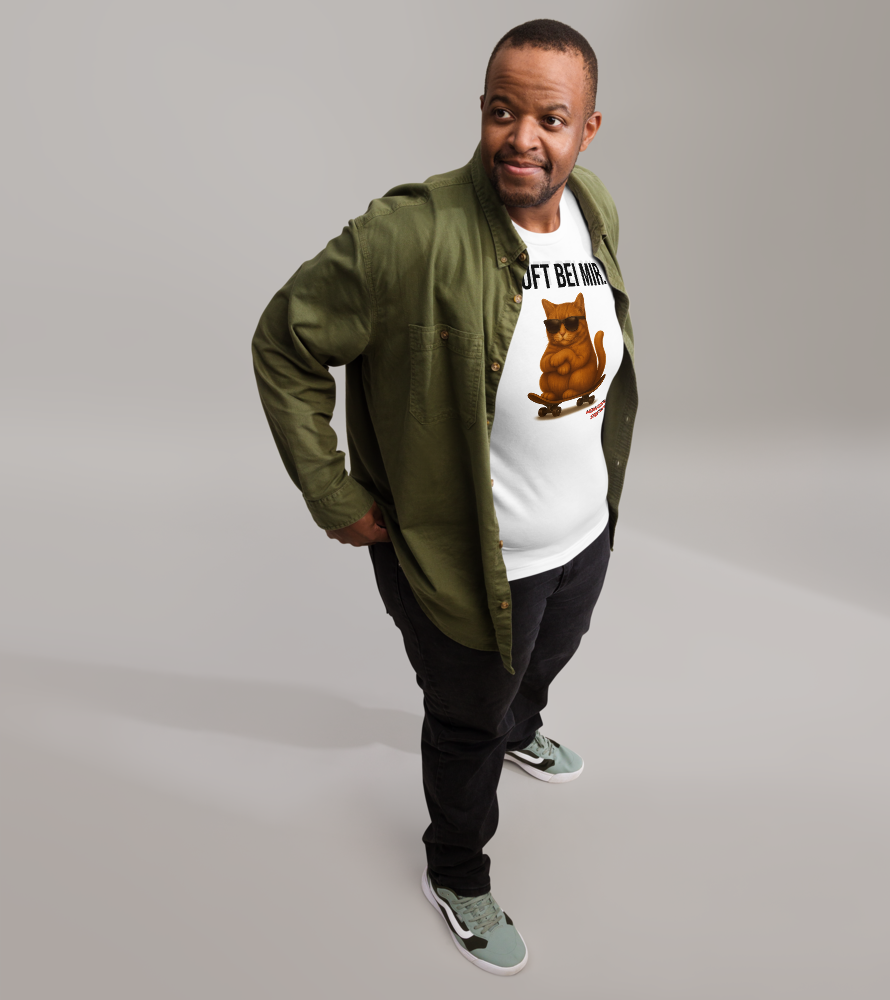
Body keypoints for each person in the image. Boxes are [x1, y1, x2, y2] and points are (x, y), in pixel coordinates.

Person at [252, 18, 637, 976]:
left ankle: (521, 729)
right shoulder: (408, 235)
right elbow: (284, 341)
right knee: (465, 721)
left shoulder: (593, 206)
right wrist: (331, 492)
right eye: (503, 112)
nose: (522, 139)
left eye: (551, 119)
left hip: (583, 530)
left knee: (546, 662)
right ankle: (457, 870)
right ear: (482, 111)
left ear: (588, 130)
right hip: (468, 563)